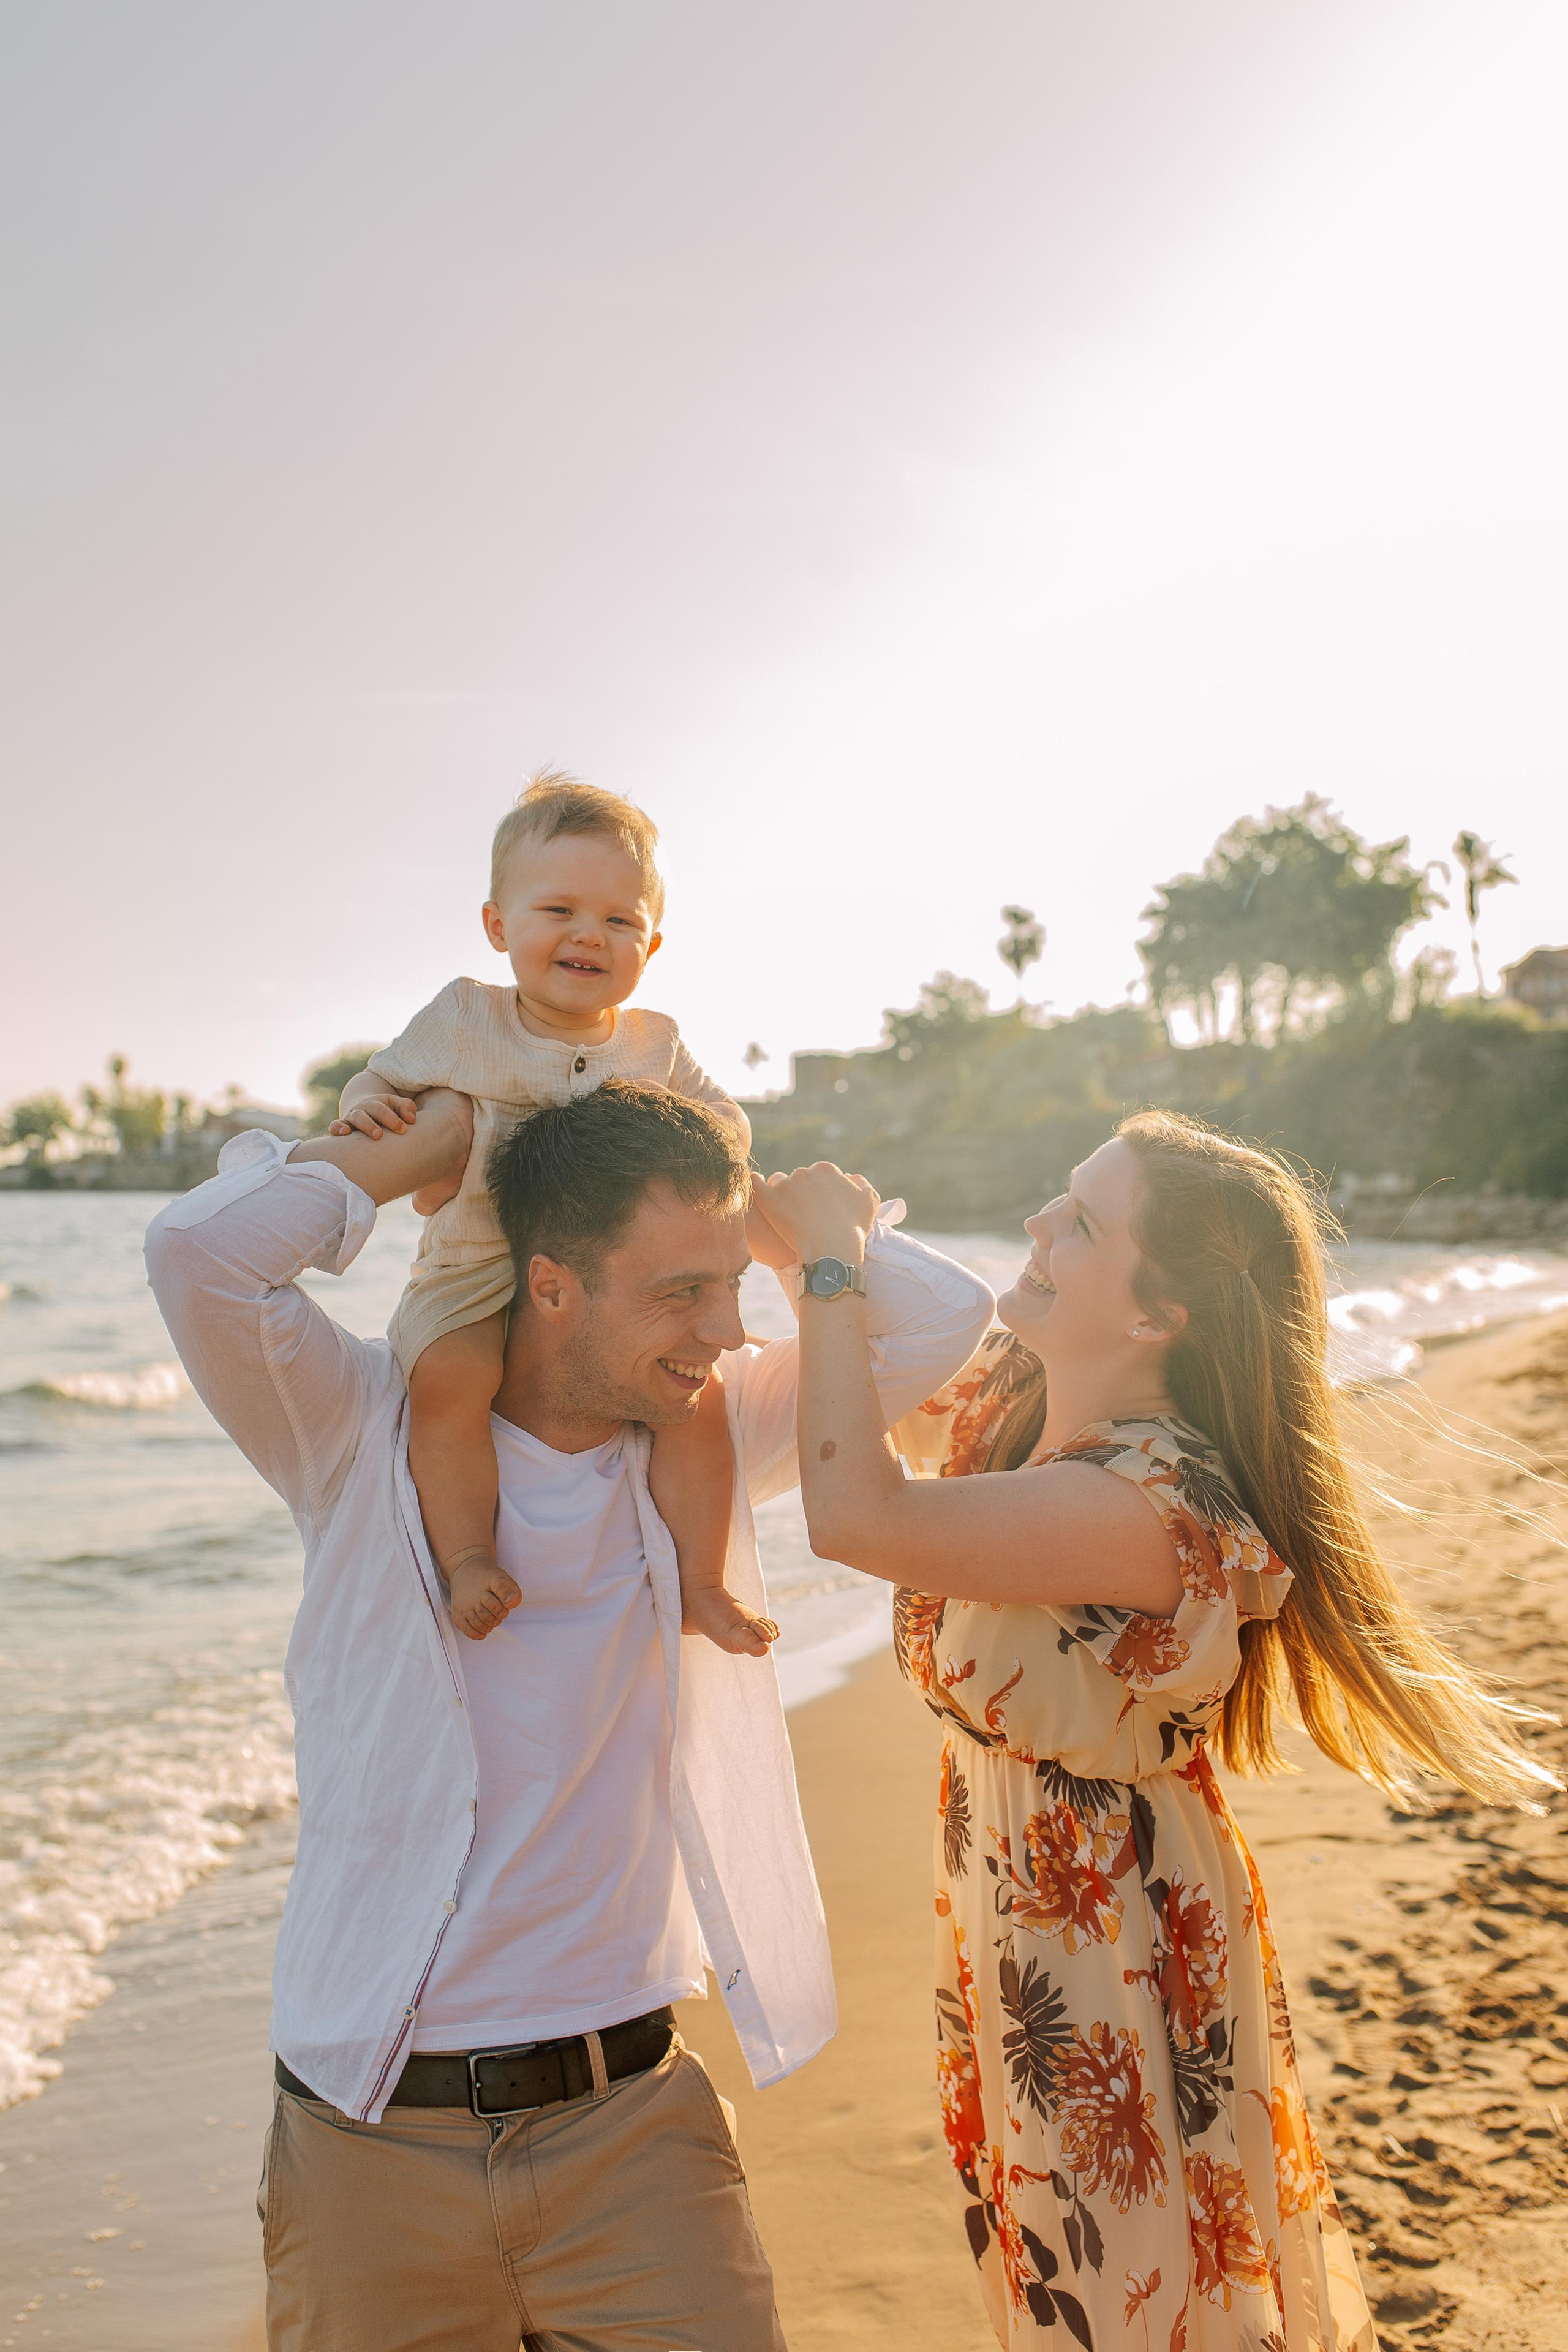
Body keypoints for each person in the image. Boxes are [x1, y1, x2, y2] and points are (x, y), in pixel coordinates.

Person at [145, 1078, 993, 2350]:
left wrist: (766, 1219)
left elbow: (941, 1323)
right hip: (373, 2134)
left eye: (725, 1290)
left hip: (632, 2127)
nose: (721, 1328)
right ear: (549, 1287)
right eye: (678, 1293)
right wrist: (423, 1156)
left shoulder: (697, 1435)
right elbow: (200, 1256)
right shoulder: (357, 1431)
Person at [760, 1112, 1554, 2351]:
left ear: (1154, 1319)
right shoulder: (1023, 1420)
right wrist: (780, 1229)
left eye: (1079, 1221)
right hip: (1019, 1908)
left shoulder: (1142, 1503)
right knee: (1063, 2276)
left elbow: (852, 1513)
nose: (1036, 1224)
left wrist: (824, 1265)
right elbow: (892, 1366)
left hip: (1105, 1940)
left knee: (1125, 2296)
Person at [333, 769, 774, 1658]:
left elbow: (726, 1118)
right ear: (499, 926)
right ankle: (466, 1558)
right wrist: (366, 1108)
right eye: (559, 911)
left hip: (599, 1285)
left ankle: (702, 1584)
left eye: (620, 920)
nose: (589, 935)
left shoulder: (653, 1043)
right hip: (471, 1267)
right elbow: (381, 1076)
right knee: (449, 1382)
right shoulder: (466, 1018)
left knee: (699, 1403)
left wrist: (715, 1153)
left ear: (651, 945)